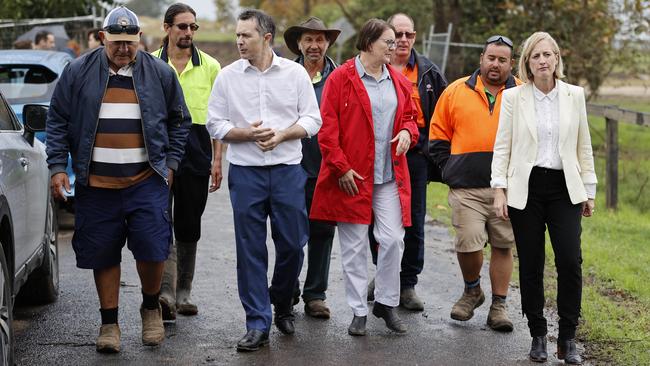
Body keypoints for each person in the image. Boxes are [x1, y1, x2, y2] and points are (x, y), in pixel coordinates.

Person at [46, 6, 191, 353]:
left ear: (140, 39)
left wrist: (170, 163)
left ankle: (150, 307)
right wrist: (57, 167)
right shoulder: (78, 72)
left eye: (130, 42)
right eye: (116, 42)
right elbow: (58, 121)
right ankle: (109, 323)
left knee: (153, 250)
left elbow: (179, 121)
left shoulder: (160, 73)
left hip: (147, 180)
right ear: (102, 38)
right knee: (103, 254)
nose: (124, 49)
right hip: (97, 185)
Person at [206, 9, 322, 352]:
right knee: (250, 250)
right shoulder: (228, 77)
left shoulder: (295, 74)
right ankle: (257, 322)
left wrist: (285, 134)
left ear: (266, 38)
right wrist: (242, 134)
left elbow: (313, 119)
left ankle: (282, 300)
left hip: (288, 171)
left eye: (247, 35)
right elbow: (215, 123)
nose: (240, 41)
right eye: (238, 36)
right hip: (246, 174)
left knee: (292, 244)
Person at [491, 31, 597, 364]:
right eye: (536, 56)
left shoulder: (574, 95)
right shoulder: (514, 98)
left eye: (548, 55)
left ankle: (567, 337)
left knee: (570, 260)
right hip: (527, 189)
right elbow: (503, 146)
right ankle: (538, 333)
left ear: (556, 59)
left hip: (566, 187)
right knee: (532, 262)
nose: (542, 61)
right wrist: (499, 189)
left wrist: (589, 190)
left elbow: (584, 147)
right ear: (527, 61)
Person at [310, 18, 419, 337]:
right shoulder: (340, 79)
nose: (394, 46)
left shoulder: (399, 82)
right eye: (388, 41)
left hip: (388, 177)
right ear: (369, 43)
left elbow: (411, 120)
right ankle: (358, 310)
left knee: (393, 239)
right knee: (355, 246)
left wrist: (405, 132)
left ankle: (385, 302)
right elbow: (327, 130)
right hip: (353, 177)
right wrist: (340, 167)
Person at [429, 35, 520, 332]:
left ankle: (499, 305)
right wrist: (450, 169)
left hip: (507, 190)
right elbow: (438, 135)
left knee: (503, 245)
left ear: (511, 63)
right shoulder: (456, 90)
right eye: (491, 58)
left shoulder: (523, 93)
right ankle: (472, 291)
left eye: (502, 60)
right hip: (466, 188)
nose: (496, 64)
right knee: (468, 242)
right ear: (481, 58)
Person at [368, 12, 447, 311]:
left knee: (412, 218)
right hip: (377, 153)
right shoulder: (375, 64)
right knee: (375, 218)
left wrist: (429, 150)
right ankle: (383, 274)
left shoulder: (428, 72)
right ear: (387, 35)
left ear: (415, 36)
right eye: (397, 35)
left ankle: (408, 284)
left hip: (415, 157)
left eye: (408, 35)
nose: (402, 40)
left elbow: (443, 114)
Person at [152, 2, 223, 322]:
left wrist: (218, 159)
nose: (188, 33)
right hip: (158, 147)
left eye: (193, 27)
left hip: (196, 149)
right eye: (182, 26)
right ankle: (164, 291)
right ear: (166, 28)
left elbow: (218, 118)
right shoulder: (150, 63)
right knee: (158, 218)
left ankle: (184, 292)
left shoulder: (210, 66)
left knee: (189, 221)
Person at [283, 16, 339, 319]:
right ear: (299, 44)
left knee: (322, 232)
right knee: (289, 232)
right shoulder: (285, 74)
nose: (314, 46)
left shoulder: (340, 77)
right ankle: (287, 288)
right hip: (290, 166)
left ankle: (315, 294)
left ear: (327, 43)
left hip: (326, 168)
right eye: (309, 40)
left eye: (320, 40)